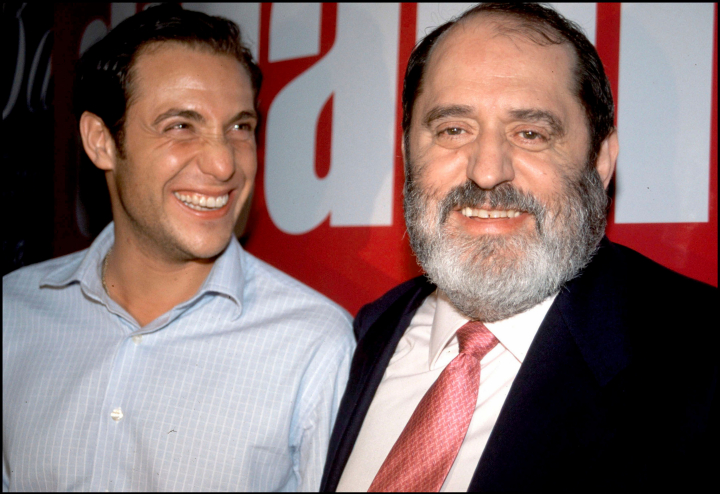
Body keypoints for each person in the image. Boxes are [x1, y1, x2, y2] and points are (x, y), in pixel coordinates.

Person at [321, 3, 717, 492]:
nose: (487, 171)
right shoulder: (369, 333)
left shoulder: (700, 358)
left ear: (601, 161)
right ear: (407, 153)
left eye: (530, 133)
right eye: (453, 130)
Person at [2, 4, 354, 491]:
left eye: (240, 127)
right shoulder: (13, 313)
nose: (224, 164)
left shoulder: (315, 345)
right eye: (180, 126)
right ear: (101, 141)